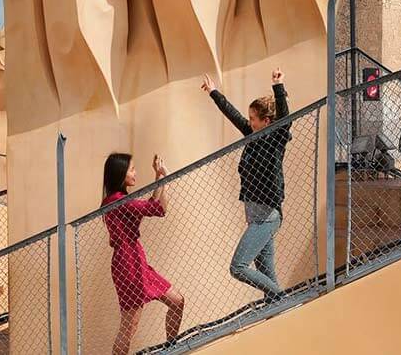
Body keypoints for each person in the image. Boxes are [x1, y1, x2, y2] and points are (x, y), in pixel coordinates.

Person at [202, 68, 290, 300]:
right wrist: (214, 93)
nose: (249, 122)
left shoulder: (275, 140)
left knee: (238, 267)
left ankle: (281, 298)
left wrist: (278, 87)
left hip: (267, 216)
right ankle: (276, 307)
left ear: (266, 121)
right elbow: (233, 116)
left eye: (253, 119)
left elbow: (285, 121)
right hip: (255, 217)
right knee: (266, 273)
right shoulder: (252, 135)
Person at [103, 152, 184, 355]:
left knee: (177, 301)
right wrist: (164, 179)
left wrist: (158, 178)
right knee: (129, 325)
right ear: (120, 173)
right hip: (129, 264)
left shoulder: (119, 200)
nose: (135, 172)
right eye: (131, 169)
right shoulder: (119, 201)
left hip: (135, 260)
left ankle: (171, 348)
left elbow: (150, 206)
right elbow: (159, 209)